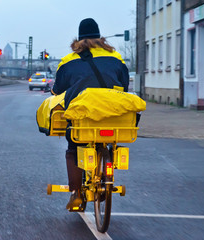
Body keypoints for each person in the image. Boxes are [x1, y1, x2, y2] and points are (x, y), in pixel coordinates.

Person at [51, 18, 129, 210]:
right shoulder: (116, 58)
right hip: (113, 117)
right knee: (109, 142)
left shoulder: (68, 61)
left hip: (83, 119)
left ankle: (76, 193)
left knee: (73, 147)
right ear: (99, 37)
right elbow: (125, 86)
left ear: (79, 39)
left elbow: (58, 89)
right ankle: (105, 180)